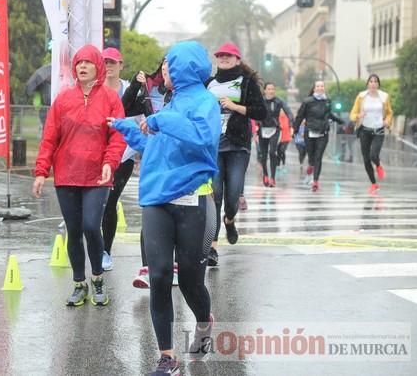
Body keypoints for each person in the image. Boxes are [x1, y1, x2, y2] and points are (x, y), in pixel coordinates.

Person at [111, 41, 220, 375]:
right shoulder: (170, 104)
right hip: (157, 201)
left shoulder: (206, 103)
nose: (164, 72)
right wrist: (129, 128)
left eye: (169, 66)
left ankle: (204, 322)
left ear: (185, 67)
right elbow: (158, 148)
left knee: (190, 282)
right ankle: (167, 356)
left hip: (194, 202)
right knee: (158, 276)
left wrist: (161, 122)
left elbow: (202, 139)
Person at [32, 44, 125, 307]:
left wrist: (110, 162)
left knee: (90, 226)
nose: (82, 67)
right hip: (67, 174)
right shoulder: (63, 99)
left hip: (98, 174)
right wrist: (41, 172)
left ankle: (97, 279)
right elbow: (49, 138)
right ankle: (79, 284)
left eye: (88, 63)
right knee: (73, 230)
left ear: (97, 66)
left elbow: (117, 136)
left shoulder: (110, 98)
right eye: (79, 63)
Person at [205, 42, 266, 266]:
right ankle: (212, 246)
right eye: (220, 55)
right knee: (216, 194)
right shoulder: (209, 83)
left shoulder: (246, 82)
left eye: (228, 55)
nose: (223, 58)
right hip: (213, 146)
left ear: (238, 59)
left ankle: (229, 220)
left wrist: (234, 106)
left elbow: (261, 112)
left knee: (232, 197)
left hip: (238, 145)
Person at [122, 59, 177, 288]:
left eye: (171, 66)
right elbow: (124, 109)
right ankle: (147, 268)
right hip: (153, 159)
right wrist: (136, 84)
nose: (166, 69)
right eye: (163, 65)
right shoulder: (150, 90)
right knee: (151, 212)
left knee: (174, 215)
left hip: (176, 162)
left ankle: (174, 266)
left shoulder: (189, 96)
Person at [100, 47, 132, 271]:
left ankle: (105, 251)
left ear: (121, 65)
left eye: (113, 62)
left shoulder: (131, 89)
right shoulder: (93, 89)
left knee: (110, 202)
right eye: (105, 62)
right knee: (96, 203)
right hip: (97, 154)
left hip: (124, 155)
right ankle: (94, 246)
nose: (108, 66)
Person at [294, 80, 344, 192]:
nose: (320, 88)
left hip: (323, 132)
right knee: (312, 157)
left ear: (324, 88)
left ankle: (315, 181)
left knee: (318, 157)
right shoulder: (307, 101)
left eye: (322, 86)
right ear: (314, 88)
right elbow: (300, 116)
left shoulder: (327, 101)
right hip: (310, 132)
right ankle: (310, 165)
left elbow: (329, 114)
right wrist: (295, 129)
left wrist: (339, 120)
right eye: (318, 86)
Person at [349, 73, 393, 194]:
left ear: (378, 84)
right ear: (367, 83)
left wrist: (387, 121)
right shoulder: (361, 96)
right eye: (371, 81)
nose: (373, 84)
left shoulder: (384, 97)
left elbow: (389, 112)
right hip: (365, 130)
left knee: (374, 155)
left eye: (375, 82)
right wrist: (358, 115)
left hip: (379, 130)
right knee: (366, 159)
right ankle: (374, 184)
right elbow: (352, 114)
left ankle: (378, 165)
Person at [258, 82, 294, 187]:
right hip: (262, 129)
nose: (271, 91)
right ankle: (265, 174)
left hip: (275, 129)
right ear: (265, 90)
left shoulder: (278, 101)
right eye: (268, 89)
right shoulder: (260, 101)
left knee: (273, 152)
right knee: (263, 155)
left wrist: (291, 122)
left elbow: (288, 111)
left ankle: (273, 178)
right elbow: (253, 112)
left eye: (273, 89)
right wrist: (256, 124)